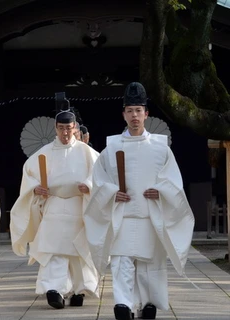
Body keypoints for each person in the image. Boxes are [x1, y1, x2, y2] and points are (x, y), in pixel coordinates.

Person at [83, 82, 195, 320]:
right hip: (121, 215)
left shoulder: (161, 148)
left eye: (139, 110)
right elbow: (99, 181)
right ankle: (123, 304)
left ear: (146, 114)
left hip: (149, 215)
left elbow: (173, 181)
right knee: (122, 261)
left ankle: (148, 303)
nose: (135, 116)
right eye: (130, 110)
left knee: (149, 265)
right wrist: (113, 193)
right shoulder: (110, 148)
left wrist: (161, 191)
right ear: (123, 114)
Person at [10, 110, 100, 309]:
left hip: (78, 204)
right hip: (55, 204)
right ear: (55, 129)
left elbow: (100, 173)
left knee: (78, 251)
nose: (65, 133)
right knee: (53, 249)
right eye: (61, 129)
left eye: (69, 129)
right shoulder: (45, 152)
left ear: (75, 128)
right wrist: (36, 187)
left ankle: (79, 290)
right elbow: (29, 173)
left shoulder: (86, 152)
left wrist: (89, 185)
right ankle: (54, 290)